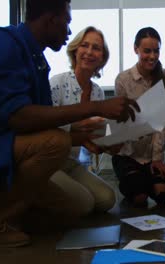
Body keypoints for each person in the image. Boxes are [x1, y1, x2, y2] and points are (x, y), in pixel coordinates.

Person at [0, 0, 139, 247]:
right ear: (50, 19)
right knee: (56, 143)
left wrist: (95, 138)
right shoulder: (2, 43)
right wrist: (96, 108)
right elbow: (20, 118)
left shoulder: (36, 60)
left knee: (79, 206)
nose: (68, 32)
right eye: (66, 23)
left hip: (18, 151)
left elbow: (41, 128)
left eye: (96, 48)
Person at [49, 26, 118, 215]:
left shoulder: (97, 91)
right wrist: (78, 126)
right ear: (75, 50)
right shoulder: (57, 83)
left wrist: (118, 136)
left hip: (71, 163)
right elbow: (45, 127)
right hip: (49, 162)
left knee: (107, 199)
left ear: (102, 57)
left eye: (96, 48)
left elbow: (96, 135)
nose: (89, 52)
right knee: (86, 203)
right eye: (84, 45)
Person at [111, 27, 165, 207]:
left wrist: (157, 158)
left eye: (156, 51)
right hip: (128, 154)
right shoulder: (123, 80)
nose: (152, 56)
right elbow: (121, 123)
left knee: (162, 196)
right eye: (147, 51)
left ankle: (145, 182)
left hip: (151, 154)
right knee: (140, 198)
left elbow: (163, 121)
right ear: (136, 49)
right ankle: (136, 185)